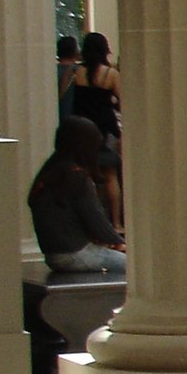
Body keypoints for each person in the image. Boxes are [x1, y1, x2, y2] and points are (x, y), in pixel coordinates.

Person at [28, 117, 125, 275]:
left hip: (54, 256)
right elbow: (96, 219)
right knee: (135, 268)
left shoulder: (49, 172)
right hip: (75, 254)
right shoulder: (77, 177)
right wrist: (120, 243)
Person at [67, 31, 123, 230]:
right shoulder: (110, 74)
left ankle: (92, 222)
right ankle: (115, 222)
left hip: (82, 129)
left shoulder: (78, 72)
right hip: (104, 129)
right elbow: (122, 101)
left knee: (87, 176)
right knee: (110, 175)